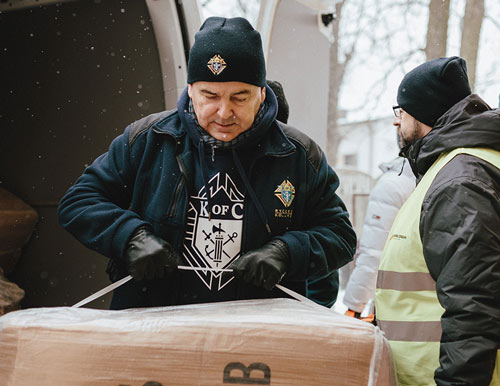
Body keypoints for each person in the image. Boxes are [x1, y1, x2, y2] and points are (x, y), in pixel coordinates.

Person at [58, 16, 356, 310]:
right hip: (153, 326)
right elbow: (79, 202)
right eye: (210, 95)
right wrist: (131, 237)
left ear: (262, 93)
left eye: (240, 97)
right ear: (190, 89)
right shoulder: (147, 140)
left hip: (257, 336)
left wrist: (286, 252)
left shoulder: (297, 155)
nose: (224, 112)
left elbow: (340, 235)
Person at [375, 56, 500, 385]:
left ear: (422, 114)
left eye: (400, 112)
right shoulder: (456, 169)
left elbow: (473, 306)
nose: (396, 122)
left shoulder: (460, 180)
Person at [343, 148, 415, 321]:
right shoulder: (440, 175)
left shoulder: (393, 185)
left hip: (393, 306)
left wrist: (354, 307)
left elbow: (373, 253)